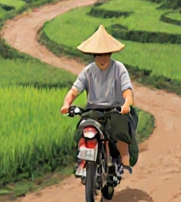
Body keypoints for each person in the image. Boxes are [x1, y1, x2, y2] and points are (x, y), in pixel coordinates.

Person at [59, 25, 138, 181]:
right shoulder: (88, 71)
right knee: (82, 130)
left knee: (120, 131)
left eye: (105, 55)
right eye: (98, 55)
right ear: (93, 55)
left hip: (115, 109)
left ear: (110, 54)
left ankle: (124, 158)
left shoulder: (119, 68)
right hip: (93, 110)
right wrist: (66, 104)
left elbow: (127, 91)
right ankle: (83, 161)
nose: (102, 59)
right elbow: (74, 90)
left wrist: (127, 104)